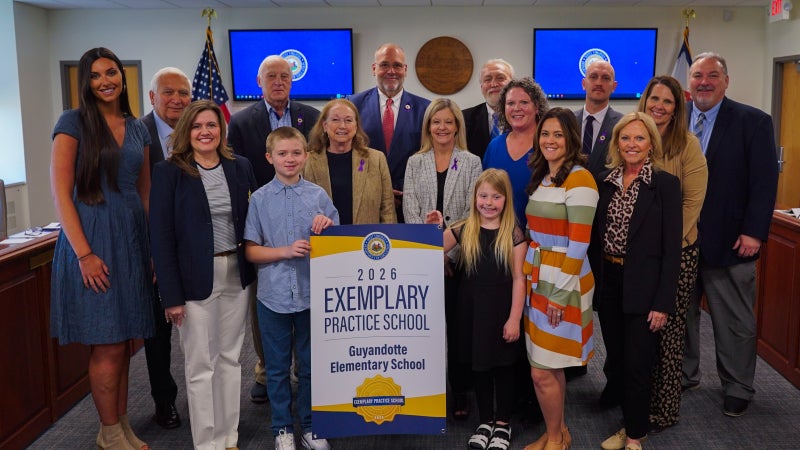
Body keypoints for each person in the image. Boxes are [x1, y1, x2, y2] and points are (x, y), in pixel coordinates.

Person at [49, 47, 155, 450]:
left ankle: (119, 425)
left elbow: (145, 193)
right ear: (85, 83)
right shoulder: (72, 122)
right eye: (95, 76)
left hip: (131, 239)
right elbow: (61, 193)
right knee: (108, 342)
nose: (106, 80)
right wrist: (84, 254)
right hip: (91, 239)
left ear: (123, 77)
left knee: (125, 340)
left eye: (112, 72)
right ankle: (109, 433)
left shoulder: (137, 128)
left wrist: (152, 251)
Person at [149, 100, 258, 450]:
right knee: (200, 364)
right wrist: (171, 296)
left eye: (212, 125)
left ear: (221, 130)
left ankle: (229, 436)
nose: (205, 132)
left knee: (229, 358)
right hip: (192, 280)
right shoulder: (168, 172)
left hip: (234, 274)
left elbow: (252, 221)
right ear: (186, 132)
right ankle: (206, 443)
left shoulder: (240, 167)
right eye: (197, 126)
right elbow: (161, 237)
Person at [682, 52, 779, 417]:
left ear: (726, 80)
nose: (703, 82)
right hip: (684, 240)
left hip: (733, 241)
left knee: (734, 320)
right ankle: (685, 373)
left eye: (712, 75)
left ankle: (738, 385)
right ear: (689, 82)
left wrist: (754, 232)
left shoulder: (752, 121)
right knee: (683, 315)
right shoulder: (677, 121)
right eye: (697, 76)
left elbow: (764, 181)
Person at [228, 54, 320, 403]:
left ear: (292, 80)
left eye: (284, 76)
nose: (278, 81)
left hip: (302, 214)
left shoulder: (310, 117)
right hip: (262, 215)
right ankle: (267, 369)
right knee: (264, 299)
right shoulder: (240, 121)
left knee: (306, 296)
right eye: (271, 76)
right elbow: (236, 169)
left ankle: (303, 369)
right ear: (259, 81)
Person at [590, 113, 682, 450]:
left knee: (638, 365)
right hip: (610, 282)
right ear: (616, 143)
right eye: (625, 138)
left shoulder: (665, 184)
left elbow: (672, 250)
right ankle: (629, 421)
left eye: (639, 138)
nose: (632, 144)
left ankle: (634, 436)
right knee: (617, 360)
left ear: (651, 144)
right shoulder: (605, 180)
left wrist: (662, 302)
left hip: (644, 286)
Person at [244, 126, 338, 450]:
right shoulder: (258, 199)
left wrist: (328, 227)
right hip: (273, 298)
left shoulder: (318, 196)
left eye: (296, 153)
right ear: (269, 157)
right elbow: (251, 250)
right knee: (277, 368)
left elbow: (339, 243)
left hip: (312, 295)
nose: (290, 159)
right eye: (282, 153)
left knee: (311, 364)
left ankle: (311, 426)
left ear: (306, 156)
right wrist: (284, 251)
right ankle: (282, 428)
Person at [428, 168, 526, 450]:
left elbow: (520, 279)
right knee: (479, 367)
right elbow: (427, 249)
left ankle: (503, 424)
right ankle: (485, 421)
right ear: (474, 198)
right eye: (483, 196)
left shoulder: (514, 234)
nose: (489, 202)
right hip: (472, 312)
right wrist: (433, 228)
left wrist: (514, 319)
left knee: (504, 368)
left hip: (503, 311)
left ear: (506, 200)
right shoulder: (464, 228)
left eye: (496, 197)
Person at [521, 107, 599, 450]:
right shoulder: (544, 176)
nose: (550, 140)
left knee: (543, 369)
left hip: (563, 282)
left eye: (558, 135)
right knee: (547, 365)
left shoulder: (580, 179)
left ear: (571, 140)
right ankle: (558, 432)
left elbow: (580, 244)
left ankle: (556, 439)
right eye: (545, 134)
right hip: (537, 277)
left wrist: (558, 295)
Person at [637, 75, 708, 433]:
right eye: (654, 99)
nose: (659, 106)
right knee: (639, 330)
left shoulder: (688, 146)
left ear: (677, 108)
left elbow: (692, 203)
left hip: (676, 254)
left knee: (667, 331)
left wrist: (662, 247)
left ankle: (663, 410)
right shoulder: (635, 139)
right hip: (638, 257)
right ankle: (636, 400)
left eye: (667, 101)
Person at [404, 98, 482, 420]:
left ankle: (459, 390)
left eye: (449, 122)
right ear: (428, 126)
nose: (442, 128)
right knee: (425, 329)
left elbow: (473, 214)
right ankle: (425, 389)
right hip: (422, 262)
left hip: (459, 261)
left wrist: (448, 254)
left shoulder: (471, 162)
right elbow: (409, 209)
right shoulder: (415, 162)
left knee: (459, 329)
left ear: (457, 126)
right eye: (436, 122)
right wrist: (430, 254)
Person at [139, 66, 191, 430]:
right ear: (152, 97)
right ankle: (164, 401)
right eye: (168, 92)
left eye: (183, 93)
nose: (177, 99)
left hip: (192, 246)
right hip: (152, 249)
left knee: (201, 328)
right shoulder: (134, 133)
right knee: (158, 331)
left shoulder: (200, 130)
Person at [349, 43, 431, 221]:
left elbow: (427, 158)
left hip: (410, 204)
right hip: (366, 202)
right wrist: (381, 191)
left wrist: (403, 191)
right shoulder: (353, 105)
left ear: (405, 69)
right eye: (384, 64)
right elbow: (350, 153)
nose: (391, 71)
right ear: (374, 68)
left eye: (397, 65)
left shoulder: (425, 109)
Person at [304, 98, 396, 225]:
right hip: (323, 240)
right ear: (325, 125)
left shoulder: (376, 159)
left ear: (356, 126)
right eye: (335, 120)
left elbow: (387, 209)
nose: (342, 126)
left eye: (348, 120)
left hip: (365, 240)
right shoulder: (307, 161)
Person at [482, 77, 549, 227]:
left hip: (538, 238)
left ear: (537, 106)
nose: (516, 108)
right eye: (510, 103)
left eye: (524, 102)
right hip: (498, 236)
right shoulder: (494, 146)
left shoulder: (548, 145)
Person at [573, 60, 623, 177]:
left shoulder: (622, 125)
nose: (599, 83)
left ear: (614, 86)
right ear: (584, 83)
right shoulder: (568, 121)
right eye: (593, 77)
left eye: (605, 78)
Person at [462, 59, 515, 160]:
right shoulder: (463, 119)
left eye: (500, 78)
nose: (494, 84)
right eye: (487, 79)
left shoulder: (523, 118)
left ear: (512, 84)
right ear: (481, 86)